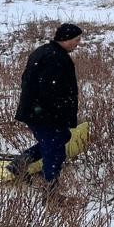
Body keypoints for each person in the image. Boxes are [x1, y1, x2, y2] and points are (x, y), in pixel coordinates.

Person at [14, 23, 83, 187]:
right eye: (76, 39)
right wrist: (55, 113)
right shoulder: (55, 58)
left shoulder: (45, 51)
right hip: (44, 114)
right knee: (54, 149)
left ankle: (19, 164)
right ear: (65, 39)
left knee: (61, 138)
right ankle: (50, 190)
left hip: (39, 111)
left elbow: (27, 80)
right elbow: (50, 91)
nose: (78, 43)